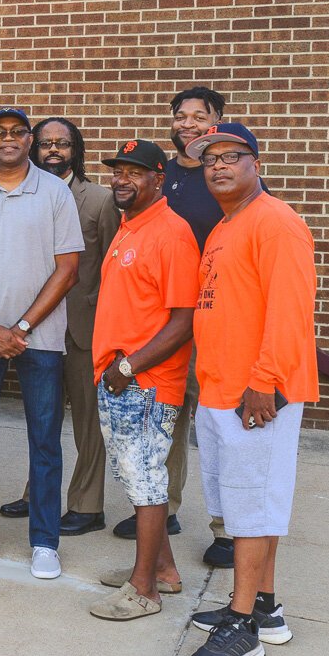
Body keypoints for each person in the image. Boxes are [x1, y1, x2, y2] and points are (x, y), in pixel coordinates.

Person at [184, 123, 317, 656]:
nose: (217, 165)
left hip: (255, 394)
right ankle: (264, 606)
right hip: (221, 388)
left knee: (252, 505)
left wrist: (264, 381)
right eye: (209, 158)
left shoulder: (276, 223)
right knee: (245, 502)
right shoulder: (224, 226)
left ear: (254, 163)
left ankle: (244, 628)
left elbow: (290, 312)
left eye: (230, 156)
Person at [0, 108, 82, 580]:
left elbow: (67, 268)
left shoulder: (55, 192)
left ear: (29, 140)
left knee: (44, 438)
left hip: (40, 338)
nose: (8, 140)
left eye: (17, 133)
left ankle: (45, 541)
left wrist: (20, 328)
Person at [86, 140, 198, 621]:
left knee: (146, 482)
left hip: (144, 381)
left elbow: (183, 320)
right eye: (117, 171)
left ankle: (143, 588)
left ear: (159, 178)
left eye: (135, 172)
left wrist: (127, 367)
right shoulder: (133, 225)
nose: (122, 180)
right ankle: (164, 572)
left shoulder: (171, 233)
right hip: (119, 376)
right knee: (135, 478)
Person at [0, 118, 119, 535]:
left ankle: (87, 506)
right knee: (42, 419)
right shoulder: (25, 195)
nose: (53, 150)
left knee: (88, 421)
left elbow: (111, 270)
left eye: (62, 144)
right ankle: (38, 494)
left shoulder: (100, 200)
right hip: (37, 329)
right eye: (46, 143)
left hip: (84, 330)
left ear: (76, 149)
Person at [130, 86, 233, 567]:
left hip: (214, 321)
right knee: (165, 420)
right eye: (180, 117)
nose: (187, 124)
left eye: (199, 116)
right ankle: (164, 509)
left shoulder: (224, 176)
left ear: (216, 122)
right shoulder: (160, 175)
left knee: (214, 425)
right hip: (166, 323)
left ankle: (227, 529)